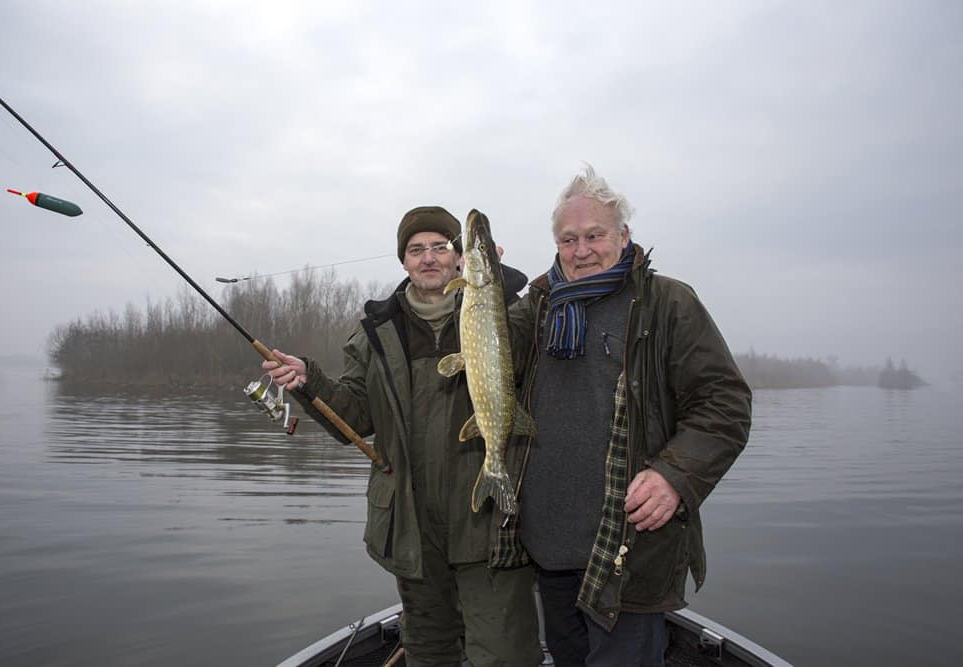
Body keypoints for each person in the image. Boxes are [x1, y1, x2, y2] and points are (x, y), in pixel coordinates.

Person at [262, 206, 542, 667]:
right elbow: (354, 416)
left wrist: (500, 278)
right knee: (429, 654)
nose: (428, 257)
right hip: (412, 528)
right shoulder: (376, 331)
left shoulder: (503, 313)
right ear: (403, 261)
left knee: (504, 654)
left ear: (459, 259)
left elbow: (534, 324)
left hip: (489, 525)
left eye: (440, 247)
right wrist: (308, 382)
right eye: (416, 250)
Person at [501, 165, 752, 666]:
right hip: (548, 548)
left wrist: (674, 476)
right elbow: (477, 356)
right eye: (568, 239)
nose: (581, 250)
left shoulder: (668, 304)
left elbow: (724, 404)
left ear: (623, 236)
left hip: (629, 552)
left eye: (594, 235)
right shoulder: (538, 309)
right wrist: (478, 285)